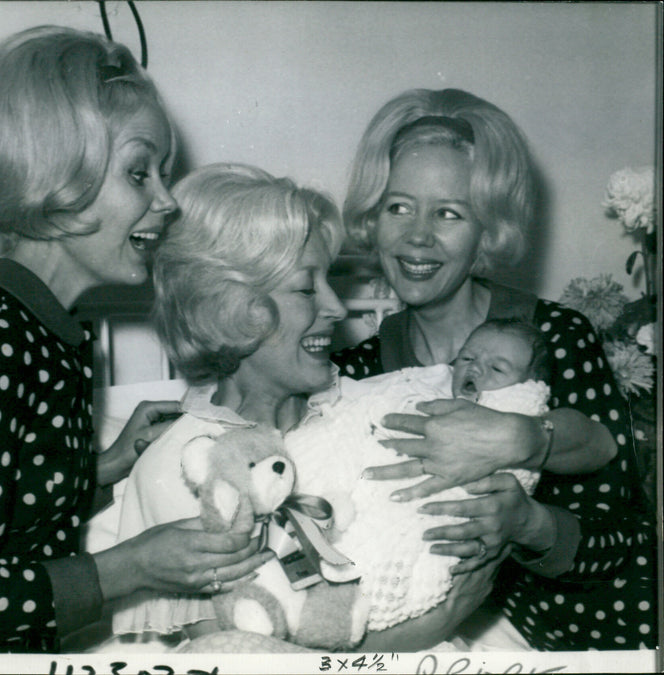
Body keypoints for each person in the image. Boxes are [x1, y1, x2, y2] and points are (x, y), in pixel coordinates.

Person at [0, 26, 268, 654]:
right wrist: (130, 567)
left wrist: (104, 468)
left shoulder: (42, 329)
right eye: (139, 173)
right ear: (57, 177)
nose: (167, 201)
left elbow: (4, 513)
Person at [112, 163, 505, 653]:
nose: (337, 307)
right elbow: (237, 656)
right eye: (306, 288)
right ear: (230, 307)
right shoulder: (178, 470)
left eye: (330, 281)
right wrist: (422, 633)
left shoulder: (367, 409)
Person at [332, 88, 657, 650]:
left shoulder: (556, 336)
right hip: (431, 630)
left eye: (449, 213)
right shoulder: (359, 375)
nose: (417, 236)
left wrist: (528, 521)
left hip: (590, 629)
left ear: (488, 227)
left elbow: (623, 533)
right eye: (398, 207)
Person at [284, 317, 552, 633]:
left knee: (393, 551)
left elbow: (512, 474)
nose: (476, 369)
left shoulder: (515, 415)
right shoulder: (421, 393)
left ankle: (351, 600)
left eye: (497, 369)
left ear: (526, 387)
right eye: (467, 358)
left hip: (434, 519)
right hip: (376, 498)